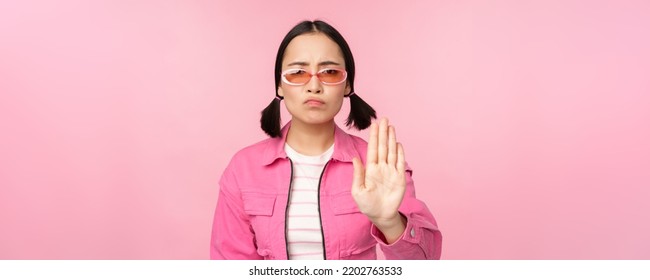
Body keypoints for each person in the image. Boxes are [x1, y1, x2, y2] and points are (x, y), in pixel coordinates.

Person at [210, 20, 442, 260]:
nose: (314, 86)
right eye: (298, 72)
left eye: (329, 72)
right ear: (279, 85)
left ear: (347, 84)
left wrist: (389, 221)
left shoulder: (379, 166)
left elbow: (424, 264)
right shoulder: (244, 168)